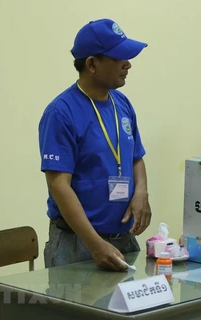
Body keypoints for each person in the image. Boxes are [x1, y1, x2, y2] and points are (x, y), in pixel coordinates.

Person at [39, 18, 152, 271]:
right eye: (119, 58)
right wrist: (94, 243)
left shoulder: (122, 104)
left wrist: (142, 192)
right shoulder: (61, 112)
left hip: (122, 239)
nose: (128, 64)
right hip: (78, 244)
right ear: (92, 64)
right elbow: (59, 185)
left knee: (128, 311)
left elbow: (136, 157)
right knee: (74, 312)